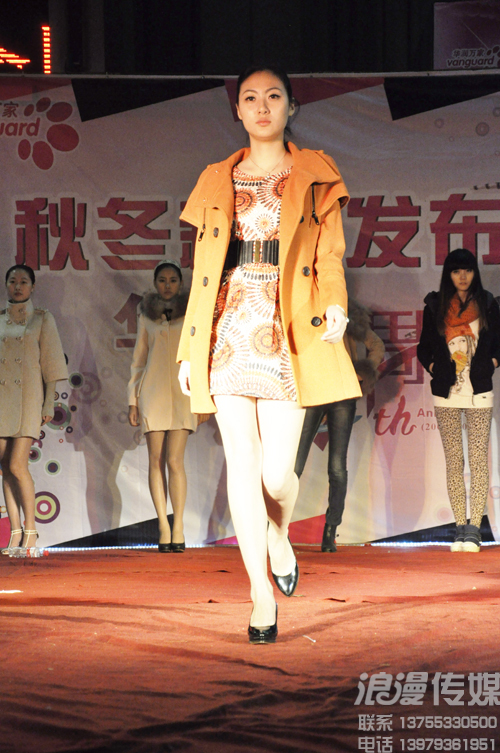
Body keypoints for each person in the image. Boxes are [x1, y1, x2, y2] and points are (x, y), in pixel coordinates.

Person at [177, 65, 361, 643]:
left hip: (290, 322)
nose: (261, 107)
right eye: (250, 98)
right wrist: (188, 348)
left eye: (273, 96)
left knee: (278, 473)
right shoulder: (216, 177)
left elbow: (329, 254)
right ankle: (260, 595)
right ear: (237, 109)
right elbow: (203, 270)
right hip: (230, 324)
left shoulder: (316, 172)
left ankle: (279, 536)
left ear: (291, 106)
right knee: (242, 464)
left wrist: (334, 302)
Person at [417, 248, 500, 552]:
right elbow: (423, 347)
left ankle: (474, 529)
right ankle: (459, 528)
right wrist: (436, 368)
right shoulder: (435, 306)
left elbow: (498, 344)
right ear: (448, 274)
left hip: (479, 392)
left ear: (475, 273)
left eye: (467, 270)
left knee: (478, 461)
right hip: (447, 393)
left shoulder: (488, 304)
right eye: (455, 271)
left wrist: (490, 364)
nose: (462, 277)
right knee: (454, 462)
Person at [294, 299, 384, 552]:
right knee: (294, 465)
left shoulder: (346, 313)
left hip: (342, 394)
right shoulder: (302, 307)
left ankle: (331, 529)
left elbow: (376, 345)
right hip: (312, 391)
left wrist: (362, 372)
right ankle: (279, 529)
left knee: (337, 467)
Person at [128, 261, 198, 553]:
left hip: (184, 392)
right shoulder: (146, 315)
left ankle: (178, 525)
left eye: (172, 280)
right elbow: (139, 359)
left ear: (180, 284)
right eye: (162, 280)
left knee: (175, 461)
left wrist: (203, 396)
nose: (167, 285)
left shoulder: (192, 312)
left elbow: (200, 355)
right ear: (155, 283)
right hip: (152, 392)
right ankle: (163, 526)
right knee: (155, 459)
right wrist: (132, 399)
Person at [0, 264, 68, 555]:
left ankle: (31, 531)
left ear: (33, 286)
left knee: (18, 464)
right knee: (5, 467)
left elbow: (51, 365)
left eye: (24, 282)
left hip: (28, 398)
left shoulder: (42, 319)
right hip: (2, 399)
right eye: (13, 281)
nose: (18, 286)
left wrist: (49, 401)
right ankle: (14, 532)